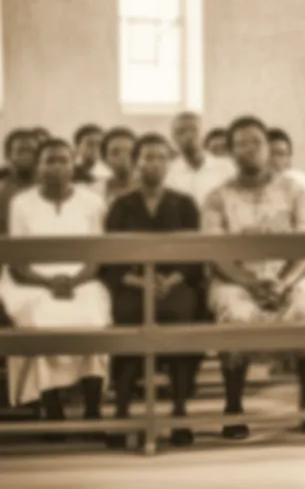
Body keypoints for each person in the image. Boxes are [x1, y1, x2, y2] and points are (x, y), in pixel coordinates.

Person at [203, 116, 305, 438]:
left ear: (267, 147)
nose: (249, 150)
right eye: (240, 144)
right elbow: (217, 252)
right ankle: (233, 407)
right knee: (233, 312)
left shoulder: (294, 189)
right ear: (230, 152)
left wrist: (283, 283)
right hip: (238, 280)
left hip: (291, 276)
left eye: (255, 142)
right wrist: (251, 283)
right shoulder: (218, 197)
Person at [101, 133, 205, 447]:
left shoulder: (184, 204)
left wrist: (170, 280)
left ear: (169, 163)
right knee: (129, 319)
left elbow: (194, 254)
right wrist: (141, 281)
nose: (154, 163)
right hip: (133, 285)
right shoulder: (121, 205)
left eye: (161, 157)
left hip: (174, 284)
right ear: (135, 162)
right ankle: (120, 414)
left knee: (182, 317)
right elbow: (111, 258)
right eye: (147, 157)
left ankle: (179, 411)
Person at [0, 139, 111, 426]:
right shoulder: (21, 203)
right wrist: (48, 283)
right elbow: (17, 260)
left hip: (80, 280)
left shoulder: (93, 201)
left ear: (73, 164)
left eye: (63, 159)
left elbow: (96, 257)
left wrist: (73, 281)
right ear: (39, 167)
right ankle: (52, 407)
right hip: (31, 282)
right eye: (50, 160)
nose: (57, 166)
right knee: (39, 320)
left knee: (94, 317)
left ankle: (93, 406)